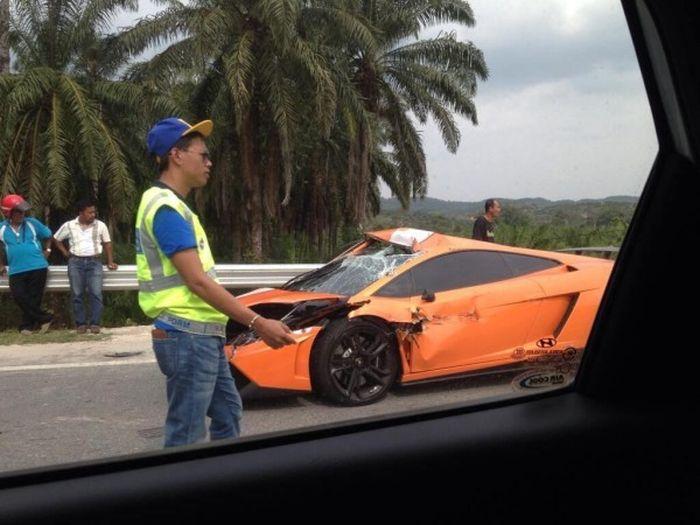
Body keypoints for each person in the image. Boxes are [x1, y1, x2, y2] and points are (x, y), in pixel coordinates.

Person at [138, 117, 296, 448]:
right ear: (177, 155)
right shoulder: (166, 209)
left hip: (201, 332)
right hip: (187, 333)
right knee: (187, 433)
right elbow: (197, 281)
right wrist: (257, 323)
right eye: (203, 154)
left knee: (227, 414)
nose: (209, 162)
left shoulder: (174, 206)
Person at [53, 199, 118, 334]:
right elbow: (57, 239)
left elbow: (107, 244)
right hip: (75, 261)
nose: (93, 215)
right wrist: (65, 253)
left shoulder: (100, 225)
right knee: (77, 294)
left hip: (94, 261)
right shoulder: (70, 225)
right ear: (81, 213)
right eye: (90, 212)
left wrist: (110, 261)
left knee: (96, 293)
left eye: (94, 212)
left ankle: (95, 323)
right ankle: (80, 324)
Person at [0, 194, 53, 334]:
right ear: (8, 213)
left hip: (38, 266)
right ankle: (45, 318)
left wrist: (47, 250)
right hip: (16, 268)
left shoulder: (32, 223)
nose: (22, 214)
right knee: (19, 296)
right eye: (18, 211)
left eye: (23, 211)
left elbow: (48, 235)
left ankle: (26, 326)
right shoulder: (2, 228)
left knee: (34, 298)